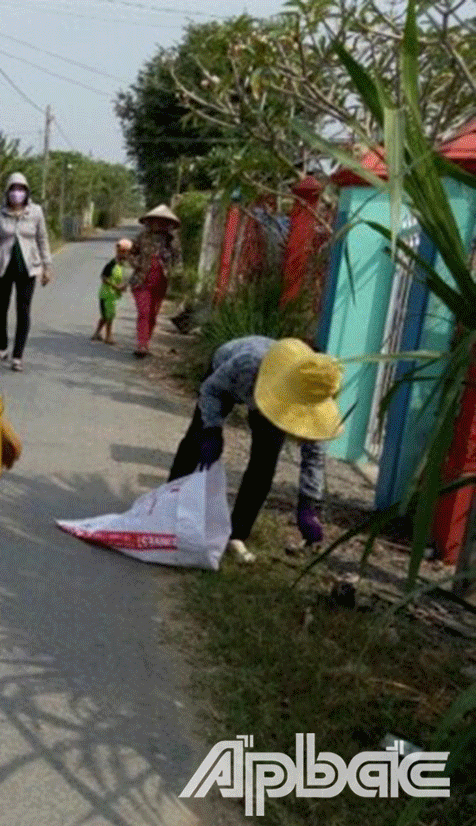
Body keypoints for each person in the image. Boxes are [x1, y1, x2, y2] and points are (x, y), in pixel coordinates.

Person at [167, 336, 343, 563]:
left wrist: (309, 503)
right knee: (196, 439)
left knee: (264, 462)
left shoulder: (314, 392)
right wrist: (212, 429)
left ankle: (237, 534)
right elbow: (211, 390)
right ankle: (170, 506)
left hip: (277, 396)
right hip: (232, 376)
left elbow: (314, 454)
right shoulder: (248, 363)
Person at [0, 171, 51, 371]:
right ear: (7, 192)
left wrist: (47, 266)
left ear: (27, 192)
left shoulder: (35, 212)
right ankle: (2, 348)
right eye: (13, 189)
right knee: (1, 308)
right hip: (3, 266)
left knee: (23, 309)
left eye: (21, 189)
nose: (17, 193)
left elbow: (42, 239)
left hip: (27, 267)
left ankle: (17, 355)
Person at [129, 204, 182, 358]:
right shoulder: (142, 237)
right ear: (150, 222)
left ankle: (146, 341)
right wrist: (138, 264)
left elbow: (178, 260)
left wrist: (176, 274)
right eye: (156, 221)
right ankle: (142, 345)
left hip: (161, 283)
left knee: (152, 315)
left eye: (163, 221)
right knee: (144, 312)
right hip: (141, 281)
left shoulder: (172, 240)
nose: (159, 224)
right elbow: (131, 254)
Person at [92, 238, 132, 345]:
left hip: (113, 295)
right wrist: (116, 287)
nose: (126, 255)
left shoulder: (122, 265)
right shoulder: (111, 264)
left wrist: (123, 286)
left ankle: (97, 333)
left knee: (105, 316)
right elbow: (104, 278)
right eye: (124, 252)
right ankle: (108, 336)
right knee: (110, 316)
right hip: (107, 294)